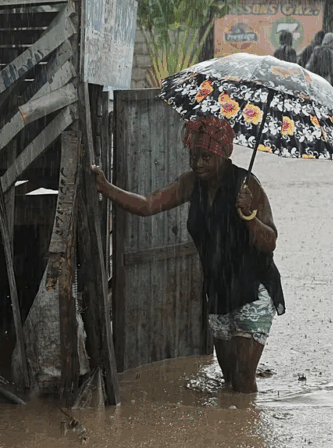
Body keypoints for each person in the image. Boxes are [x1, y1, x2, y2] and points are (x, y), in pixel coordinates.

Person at [90, 117, 284, 393]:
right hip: (219, 290)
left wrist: (250, 216)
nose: (198, 164)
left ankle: (247, 432)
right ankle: (229, 432)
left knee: (243, 379)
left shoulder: (247, 184)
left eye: (206, 156)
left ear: (223, 153)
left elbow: (270, 242)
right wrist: (105, 188)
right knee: (228, 380)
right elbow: (147, 205)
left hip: (254, 288)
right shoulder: (192, 183)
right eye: (193, 156)